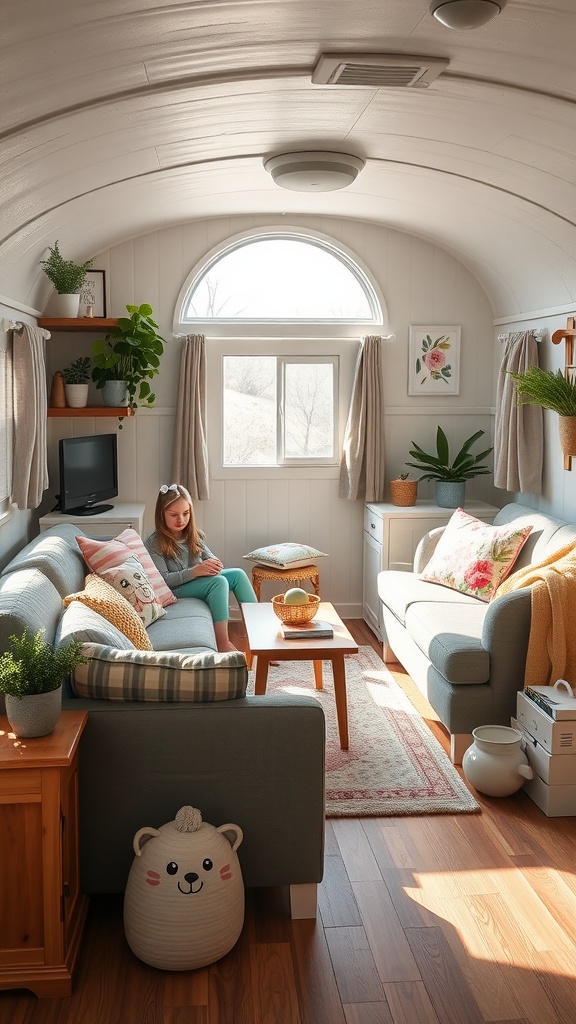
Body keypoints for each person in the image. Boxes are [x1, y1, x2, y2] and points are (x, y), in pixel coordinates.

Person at [145, 483, 257, 653]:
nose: (181, 520)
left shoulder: (194, 535)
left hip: (196, 582)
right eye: (174, 515)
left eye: (185, 513)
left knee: (238, 575)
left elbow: (209, 556)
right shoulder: (155, 543)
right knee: (218, 583)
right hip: (175, 590)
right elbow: (164, 580)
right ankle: (222, 643)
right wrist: (196, 571)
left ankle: (259, 637)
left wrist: (214, 564)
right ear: (162, 515)